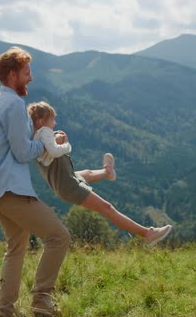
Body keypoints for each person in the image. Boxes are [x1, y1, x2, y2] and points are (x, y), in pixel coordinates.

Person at [0, 47, 69, 317]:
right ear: (12, 74)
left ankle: (6, 314)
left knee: (16, 248)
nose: (31, 78)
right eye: (26, 73)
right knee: (58, 236)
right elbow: (21, 151)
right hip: (9, 188)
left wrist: (41, 140)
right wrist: (49, 145)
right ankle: (41, 300)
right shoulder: (14, 104)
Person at [27, 101, 172, 246]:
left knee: (87, 173)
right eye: (52, 119)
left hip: (66, 180)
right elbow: (53, 150)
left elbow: (47, 145)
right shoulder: (45, 133)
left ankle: (107, 172)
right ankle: (148, 233)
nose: (55, 122)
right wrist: (65, 144)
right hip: (69, 186)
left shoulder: (35, 137)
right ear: (41, 121)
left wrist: (55, 136)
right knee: (106, 207)